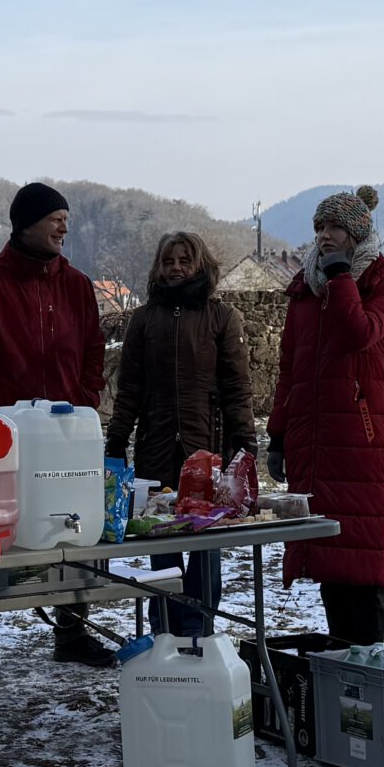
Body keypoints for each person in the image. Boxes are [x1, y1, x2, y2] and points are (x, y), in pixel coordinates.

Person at [0, 181, 112, 679]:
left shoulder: (77, 285)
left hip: (63, 435)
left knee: (71, 524)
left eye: (66, 220)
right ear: (26, 224)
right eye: (55, 219)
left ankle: (72, 631)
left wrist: (84, 403)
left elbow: (93, 350)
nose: (64, 228)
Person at [266, 185, 384, 645]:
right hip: (315, 445)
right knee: (330, 561)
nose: (325, 236)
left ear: (357, 233)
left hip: (362, 444)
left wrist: (341, 277)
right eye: (320, 227)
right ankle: (344, 670)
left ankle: (383, 665)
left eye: (335, 227)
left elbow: (358, 333)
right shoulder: (304, 288)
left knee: (367, 564)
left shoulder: (383, 278)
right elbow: (290, 368)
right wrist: (278, 434)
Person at [105, 231, 255, 637]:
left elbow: (237, 389)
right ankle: (167, 632)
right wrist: (116, 440)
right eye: (169, 261)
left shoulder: (222, 317)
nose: (176, 268)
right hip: (155, 449)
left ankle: (200, 632)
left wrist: (245, 446)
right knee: (162, 547)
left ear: (200, 265)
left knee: (205, 549)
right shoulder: (143, 320)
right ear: (159, 267)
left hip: (208, 450)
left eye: (185, 260)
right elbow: (129, 389)